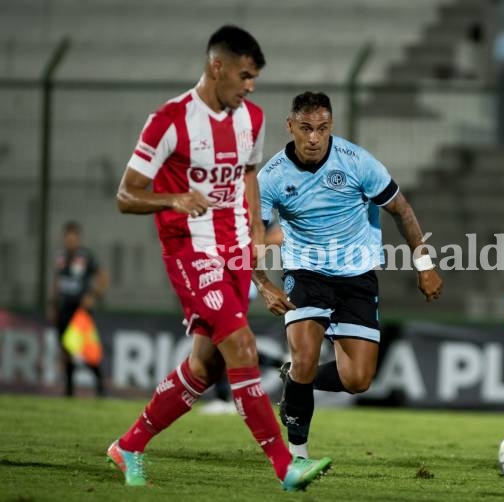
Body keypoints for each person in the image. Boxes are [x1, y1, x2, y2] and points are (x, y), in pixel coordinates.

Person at [107, 25, 331, 491]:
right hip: (190, 249)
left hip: (232, 248)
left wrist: (253, 231)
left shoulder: (251, 117)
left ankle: (128, 446)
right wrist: (172, 200)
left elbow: (248, 175)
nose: (250, 86)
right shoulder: (169, 120)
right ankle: (284, 465)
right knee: (242, 345)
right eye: (245, 76)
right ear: (217, 67)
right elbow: (127, 194)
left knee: (205, 367)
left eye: (254, 79)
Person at [254, 91, 443, 459]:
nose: (313, 138)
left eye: (322, 128)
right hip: (305, 272)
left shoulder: (358, 162)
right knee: (306, 356)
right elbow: (253, 237)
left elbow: (401, 210)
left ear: (331, 127)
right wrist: (263, 284)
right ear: (290, 126)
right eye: (306, 128)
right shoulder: (272, 177)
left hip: (357, 275)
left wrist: (424, 265)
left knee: (358, 379)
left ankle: (293, 380)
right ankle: (298, 457)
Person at [49, 221, 108, 397]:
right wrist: (52, 304)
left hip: (80, 312)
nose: (70, 241)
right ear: (64, 238)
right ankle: (69, 389)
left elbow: (103, 277)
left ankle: (100, 386)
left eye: (74, 237)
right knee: (66, 349)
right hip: (63, 309)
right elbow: (57, 283)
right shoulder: (60, 257)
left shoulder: (85, 257)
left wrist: (93, 295)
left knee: (85, 349)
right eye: (68, 237)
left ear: (78, 238)